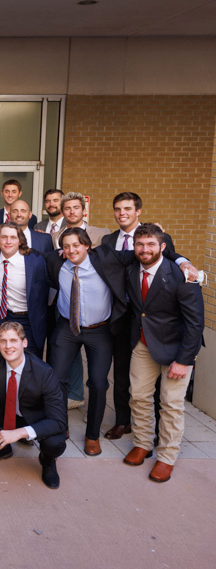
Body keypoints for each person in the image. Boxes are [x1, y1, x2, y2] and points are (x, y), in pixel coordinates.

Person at [123, 224, 204, 483]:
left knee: (170, 404)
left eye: (150, 245)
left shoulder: (183, 275)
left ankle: (166, 456)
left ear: (163, 247)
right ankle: (143, 443)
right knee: (138, 396)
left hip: (175, 349)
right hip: (143, 344)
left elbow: (195, 322)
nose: (144, 250)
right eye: (139, 244)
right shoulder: (130, 268)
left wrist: (184, 360)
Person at [101, 192, 176, 439]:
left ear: (138, 211)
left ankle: (151, 425)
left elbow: (173, 260)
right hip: (122, 319)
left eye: (127, 209)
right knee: (122, 374)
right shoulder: (108, 240)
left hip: (152, 320)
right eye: (117, 209)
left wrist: (185, 261)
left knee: (151, 377)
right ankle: (123, 421)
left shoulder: (156, 237)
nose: (122, 213)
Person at [44, 228, 126, 455]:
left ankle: (92, 435)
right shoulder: (55, 260)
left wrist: (181, 261)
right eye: (66, 246)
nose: (71, 250)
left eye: (76, 245)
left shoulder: (106, 257)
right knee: (57, 379)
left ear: (87, 245)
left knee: (99, 383)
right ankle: (61, 426)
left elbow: (140, 254)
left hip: (99, 331)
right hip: (67, 328)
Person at [0, 322, 67, 489]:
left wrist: (18, 433)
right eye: (3, 341)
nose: (8, 346)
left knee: (55, 443)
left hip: (35, 418)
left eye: (13, 340)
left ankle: (47, 461)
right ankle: (0, 447)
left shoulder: (44, 372)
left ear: (24, 343)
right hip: (5, 411)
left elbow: (59, 421)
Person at [0, 223, 49, 357]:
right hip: (2, 316)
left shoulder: (35, 261)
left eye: (13, 237)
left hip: (28, 318)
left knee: (30, 361)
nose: (8, 241)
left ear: (20, 241)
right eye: (4, 237)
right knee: (3, 357)